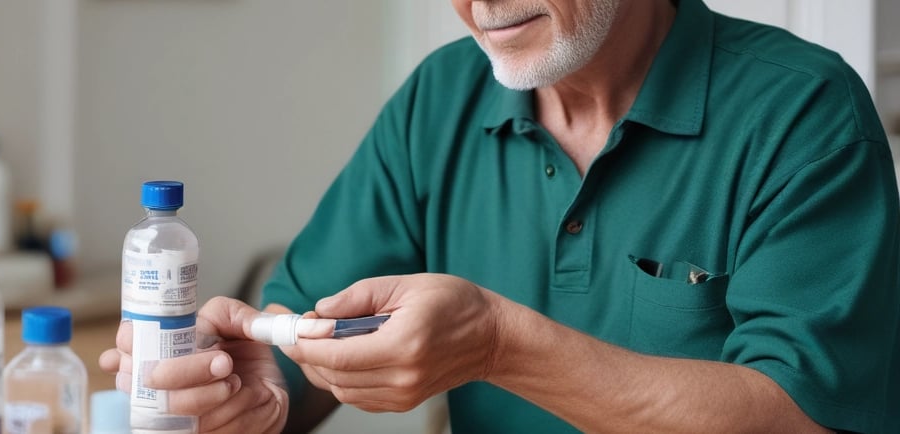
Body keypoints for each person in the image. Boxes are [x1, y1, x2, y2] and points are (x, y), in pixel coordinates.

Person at [100, 0, 900, 432]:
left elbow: (804, 420)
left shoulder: (803, 113)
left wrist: (497, 344)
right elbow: (299, 330)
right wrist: (250, 382)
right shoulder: (439, 100)